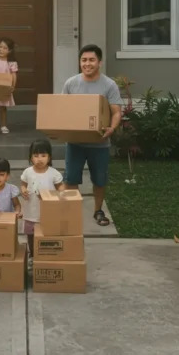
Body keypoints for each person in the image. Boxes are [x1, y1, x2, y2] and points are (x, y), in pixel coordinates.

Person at [61, 44, 122, 227]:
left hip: (99, 143)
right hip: (75, 142)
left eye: (91, 60)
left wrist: (112, 128)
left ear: (100, 62)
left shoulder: (108, 85)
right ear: (80, 62)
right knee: (71, 179)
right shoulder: (71, 83)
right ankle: (71, 212)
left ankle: (98, 210)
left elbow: (116, 112)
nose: (87, 64)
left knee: (99, 180)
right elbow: (62, 109)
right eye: (84, 60)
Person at [20, 139, 64, 269]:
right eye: (36, 155)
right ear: (31, 157)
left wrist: (60, 193)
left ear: (49, 157)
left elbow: (60, 186)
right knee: (31, 235)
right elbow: (23, 184)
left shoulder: (53, 173)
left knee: (46, 235)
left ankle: (46, 255)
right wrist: (23, 191)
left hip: (47, 213)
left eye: (43, 156)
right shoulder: (28, 172)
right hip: (31, 211)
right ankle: (32, 255)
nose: (40, 159)